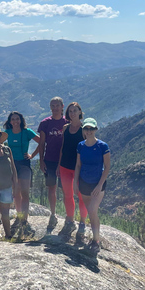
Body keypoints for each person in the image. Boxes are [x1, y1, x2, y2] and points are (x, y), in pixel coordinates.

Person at [73, 118, 110, 254]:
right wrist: (75, 183)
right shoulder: (81, 146)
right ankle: (95, 238)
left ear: (95, 130)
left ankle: (96, 240)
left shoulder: (102, 146)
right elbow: (78, 165)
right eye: (86, 129)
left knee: (93, 211)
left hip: (97, 184)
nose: (88, 131)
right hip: (84, 183)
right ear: (83, 130)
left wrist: (99, 185)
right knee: (91, 212)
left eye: (91, 129)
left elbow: (107, 167)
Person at [37, 97, 68, 229]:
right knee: (52, 188)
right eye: (52, 106)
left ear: (62, 106)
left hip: (65, 161)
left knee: (66, 189)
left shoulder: (67, 122)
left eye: (57, 105)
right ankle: (53, 213)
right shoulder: (45, 123)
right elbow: (42, 143)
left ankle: (69, 215)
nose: (55, 108)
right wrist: (41, 160)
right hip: (49, 160)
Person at [58, 102, 88, 238]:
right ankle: (70, 220)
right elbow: (63, 147)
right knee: (67, 195)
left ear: (80, 112)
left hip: (80, 169)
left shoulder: (84, 129)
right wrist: (59, 165)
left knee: (82, 196)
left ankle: (82, 222)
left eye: (75, 111)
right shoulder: (65, 128)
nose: (72, 113)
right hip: (65, 166)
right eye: (70, 111)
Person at [4, 111, 39, 224]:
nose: (15, 121)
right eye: (13, 119)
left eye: (17, 119)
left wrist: (32, 155)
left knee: (25, 192)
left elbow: (42, 141)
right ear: (10, 121)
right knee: (16, 192)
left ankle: (24, 218)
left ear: (21, 120)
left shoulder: (27, 132)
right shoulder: (7, 132)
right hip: (12, 164)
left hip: (24, 164)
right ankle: (19, 215)